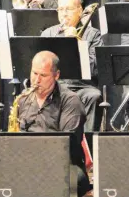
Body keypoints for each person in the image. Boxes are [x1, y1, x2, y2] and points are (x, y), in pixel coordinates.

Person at [16, 51, 89, 197]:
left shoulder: (70, 101)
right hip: (29, 164)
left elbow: (67, 144)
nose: (36, 80)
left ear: (56, 76)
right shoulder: (23, 99)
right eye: (34, 73)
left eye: (43, 75)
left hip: (64, 166)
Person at [41, 0, 103, 131]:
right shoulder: (48, 34)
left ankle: (88, 145)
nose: (64, 13)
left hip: (82, 86)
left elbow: (95, 68)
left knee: (94, 96)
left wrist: (75, 43)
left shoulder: (93, 34)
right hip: (55, 86)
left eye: (68, 9)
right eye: (60, 9)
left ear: (80, 11)